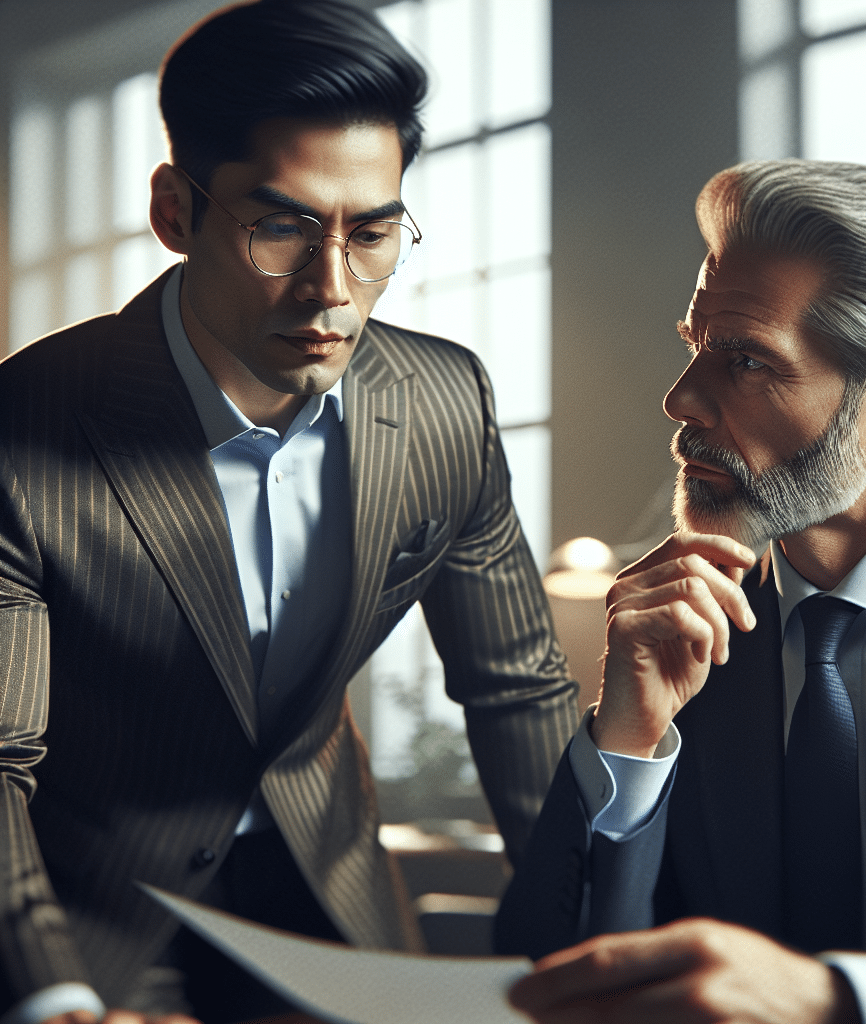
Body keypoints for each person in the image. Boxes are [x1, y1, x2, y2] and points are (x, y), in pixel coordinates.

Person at [0, 2, 577, 1022]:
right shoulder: (27, 425)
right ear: (175, 211)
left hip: (328, 903)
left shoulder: (445, 402)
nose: (333, 290)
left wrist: (593, 950)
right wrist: (51, 996)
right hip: (76, 915)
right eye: (281, 226)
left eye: (375, 231)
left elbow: (518, 693)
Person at [495, 159, 866, 1024]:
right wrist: (627, 741)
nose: (679, 399)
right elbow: (542, 977)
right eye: (694, 347)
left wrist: (840, 1000)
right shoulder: (682, 633)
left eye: (743, 362)